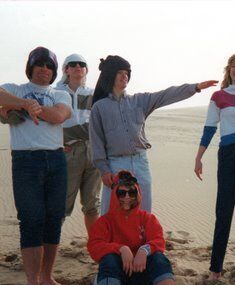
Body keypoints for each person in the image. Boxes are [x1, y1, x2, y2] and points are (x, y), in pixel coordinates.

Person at [89, 55, 217, 215]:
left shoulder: (140, 101)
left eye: (127, 73)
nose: (125, 76)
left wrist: (195, 87)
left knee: (143, 210)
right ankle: (112, 241)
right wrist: (104, 170)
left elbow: (166, 95)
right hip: (115, 165)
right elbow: (96, 142)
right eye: (120, 72)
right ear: (110, 75)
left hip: (140, 163)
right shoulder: (99, 108)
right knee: (112, 211)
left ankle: (142, 240)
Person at [0, 46, 72, 285]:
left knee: (54, 217)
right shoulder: (15, 89)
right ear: (30, 67)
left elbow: (59, 115)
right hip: (26, 161)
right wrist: (21, 103)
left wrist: (33, 108)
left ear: (54, 71)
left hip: (55, 159)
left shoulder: (60, 93)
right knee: (30, 219)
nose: (44, 69)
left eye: (49, 65)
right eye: (38, 64)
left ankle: (47, 276)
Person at [194, 54, 235, 280]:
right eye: (234, 67)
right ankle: (215, 268)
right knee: (224, 212)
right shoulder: (218, 96)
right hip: (228, 157)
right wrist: (199, 157)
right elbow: (210, 128)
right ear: (228, 71)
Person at [87, 171, 177, 285]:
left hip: (144, 277)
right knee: (108, 259)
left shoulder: (147, 218)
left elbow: (159, 240)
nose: (127, 197)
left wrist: (144, 249)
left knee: (159, 259)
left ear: (138, 194)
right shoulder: (105, 221)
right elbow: (94, 247)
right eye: (122, 193)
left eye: (132, 192)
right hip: (118, 278)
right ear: (115, 194)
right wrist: (121, 248)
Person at [56, 54, 101, 232]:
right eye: (72, 64)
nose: (77, 67)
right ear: (66, 69)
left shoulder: (93, 94)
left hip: (93, 151)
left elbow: (100, 124)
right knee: (61, 204)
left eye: (81, 64)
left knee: (92, 204)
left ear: (86, 70)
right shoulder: (56, 92)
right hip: (68, 152)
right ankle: (49, 249)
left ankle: (96, 248)